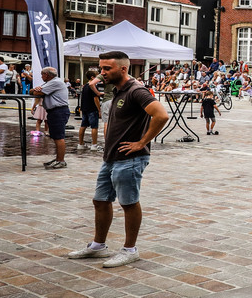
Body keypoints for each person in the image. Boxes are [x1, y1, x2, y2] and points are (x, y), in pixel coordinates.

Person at [67, 51, 169, 268]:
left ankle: (130, 250)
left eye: (106, 69)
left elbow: (161, 115)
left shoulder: (136, 91)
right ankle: (98, 246)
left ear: (123, 69)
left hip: (129, 159)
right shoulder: (118, 90)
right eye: (101, 68)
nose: (102, 73)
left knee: (129, 203)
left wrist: (141, 142)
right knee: (100, 200)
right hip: (111, 157)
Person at [32, 67, 72, 169]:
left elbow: (38, 92)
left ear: (47, 75)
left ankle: (61, 160)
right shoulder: (50, 83)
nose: (41, 76)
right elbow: (34, 91)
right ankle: (58, 158)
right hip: (54, 111)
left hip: (58, 111)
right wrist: (35, 90)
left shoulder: (55, 82)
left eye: (42, 74)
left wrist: (36, 90)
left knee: (59, 137)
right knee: (55, 136)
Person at [79, 68, 102, 153]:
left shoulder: (85, 86)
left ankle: (80, 144)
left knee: (83, 125)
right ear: (92, 77)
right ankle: (94, 145)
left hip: (85, 108)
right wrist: (99, 109)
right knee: (94, 127)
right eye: (97, 76)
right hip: (92, 108)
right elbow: (96, 98)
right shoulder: (93, 86)